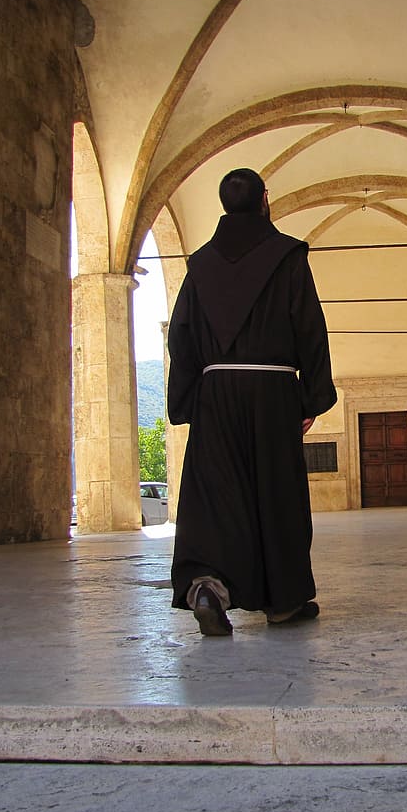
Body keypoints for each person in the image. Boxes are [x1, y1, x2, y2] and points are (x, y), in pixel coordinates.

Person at [167, 167, 337, 636]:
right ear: (265, 199)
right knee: (275, 494)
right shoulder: (287, 257)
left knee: (215, 494)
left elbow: (180, 337)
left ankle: (206, 585)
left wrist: (185, 400)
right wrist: (312, 396)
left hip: (215, 393)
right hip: (273, 392)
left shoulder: (199, 265)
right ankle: (283, 603)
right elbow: (309, 328)